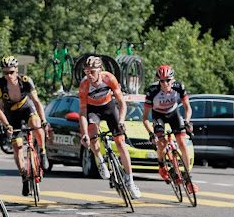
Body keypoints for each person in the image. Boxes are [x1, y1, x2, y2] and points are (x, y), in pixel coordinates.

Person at [78, 56, 141, 199]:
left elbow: (121, 102)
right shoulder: (84, 85)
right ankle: (100, 160)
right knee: (92, 133)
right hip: (93, 110)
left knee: (120, 143)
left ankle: (130, 181)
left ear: (100, 70)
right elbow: (82, 113)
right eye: (86, 71)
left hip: (109, 108)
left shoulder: (109, 79)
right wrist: (84, 134)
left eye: (92, 71)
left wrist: (122, 121)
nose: (89, 75)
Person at [0, 56, 50, 196]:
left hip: (26, 107)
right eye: (5, 73)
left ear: (16, 70)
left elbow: (36, 102)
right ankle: (24, 176)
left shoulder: (26, 81)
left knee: (36, 124)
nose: (8, 76)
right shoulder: (0, 85)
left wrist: (43, 120)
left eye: (11, 72)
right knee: (17, 146)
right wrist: (6, 125)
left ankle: (42, 151)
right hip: (11, 114)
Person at [142, 65, 198, 193]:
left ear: (173, 80)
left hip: (173, 114)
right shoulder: (152, 91)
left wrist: (187, 122)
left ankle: (188, 178)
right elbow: (145, 117)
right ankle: (161, 164)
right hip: (158, 116)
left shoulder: (179, 87)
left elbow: (187, 108)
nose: (165, 83)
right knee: (161, 144)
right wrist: (151, 133)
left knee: (183, 144)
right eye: (162, 81)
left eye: (168, 80)